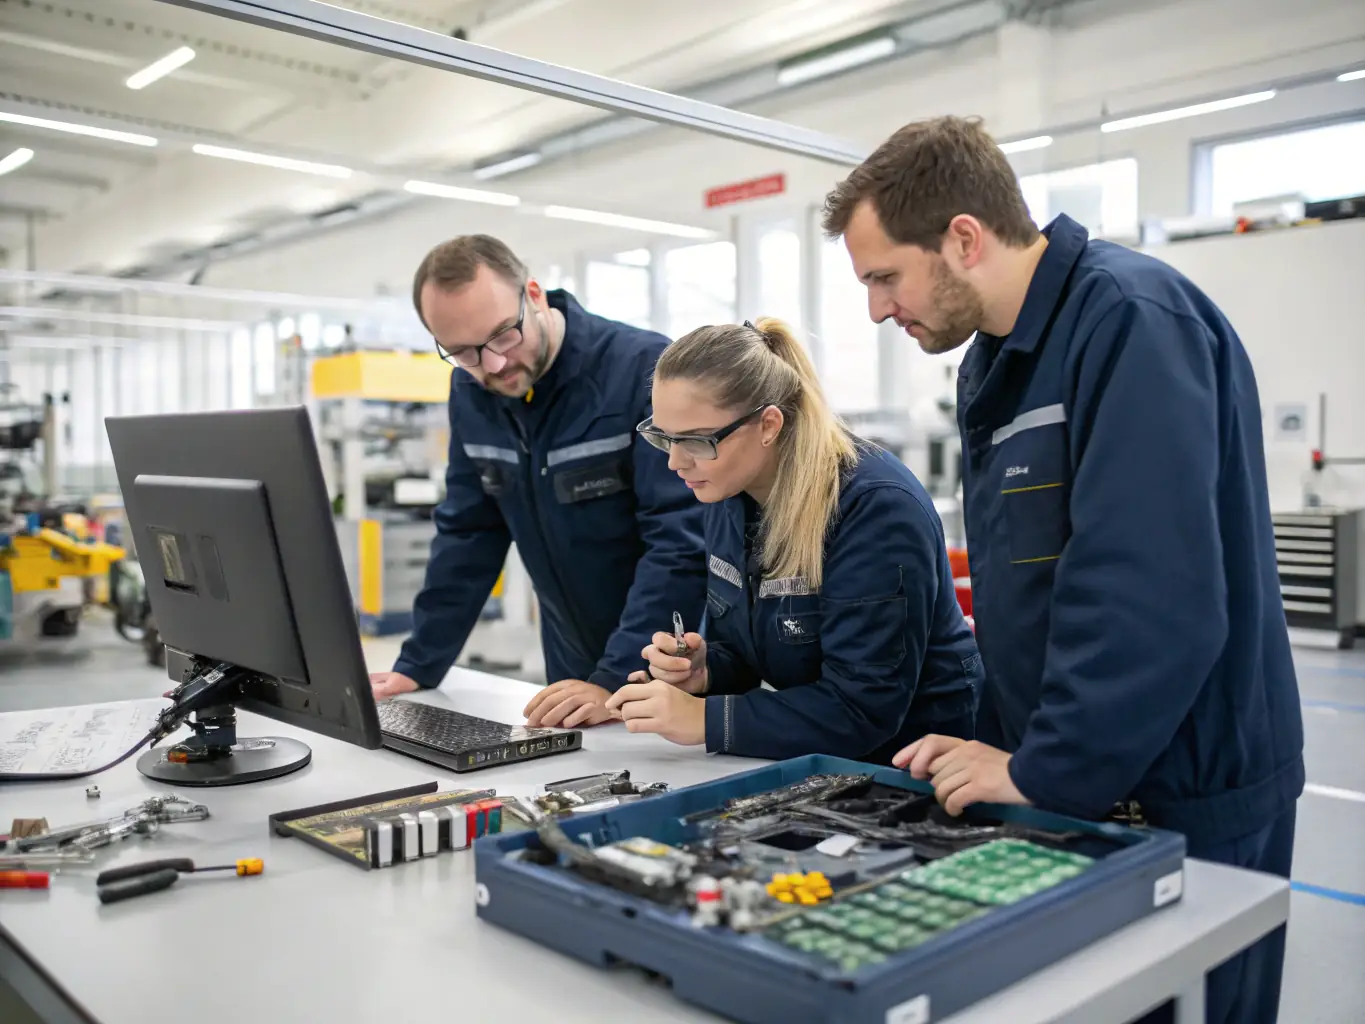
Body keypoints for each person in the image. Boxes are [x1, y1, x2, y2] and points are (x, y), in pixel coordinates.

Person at [821, 115, 1303, 1024]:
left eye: (884, 276)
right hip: (1087, 774)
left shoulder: (1130, 321)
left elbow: (1149, 593)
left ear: (962, 237)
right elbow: (1024, 583)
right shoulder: (995, 363)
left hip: (1184, 785)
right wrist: (993, 750)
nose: (877, 309)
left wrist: (1043, 772)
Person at [602, 316, 982, 762]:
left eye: (697, 441)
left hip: (921, 763)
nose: (675, 463)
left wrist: (703, 720)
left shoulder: (875, 510)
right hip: (822, 754)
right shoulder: (729, 492)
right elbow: (751, 651)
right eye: (664, 438)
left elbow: (860, 708)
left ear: (768, 425)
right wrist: (706, 672)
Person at [369, 235, 708, 729]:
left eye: (503, 335)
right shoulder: (471, 390)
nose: (493, 365)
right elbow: (468, 533)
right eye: (462, 352)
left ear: (534, 295)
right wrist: (418, 665)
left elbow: (680, 542)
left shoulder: (642, 370)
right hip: (571, 667)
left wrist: (615, 677)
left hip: (673, 665)